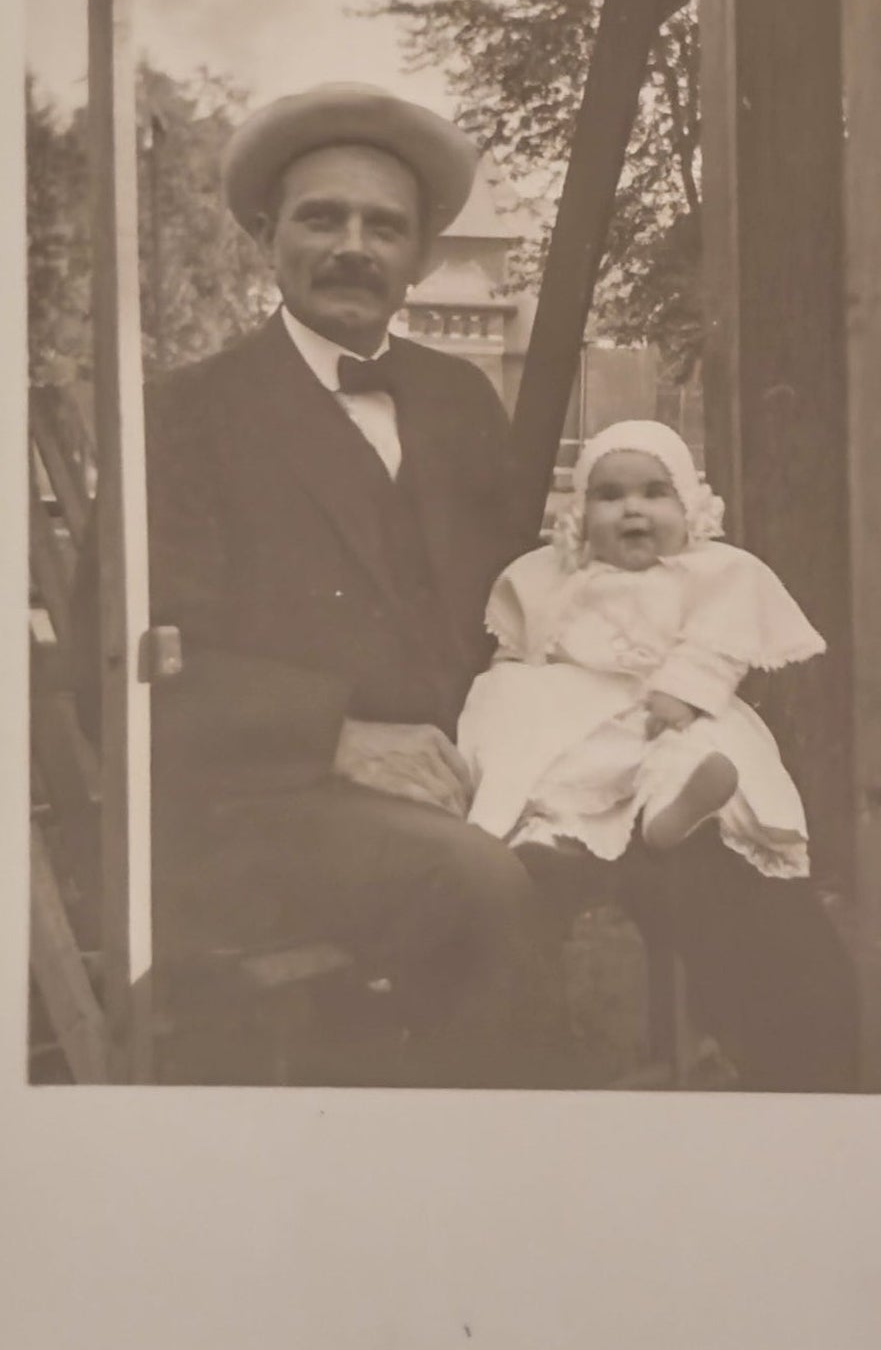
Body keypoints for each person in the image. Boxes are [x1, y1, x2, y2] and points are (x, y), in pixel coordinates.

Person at [73, 82, 557, 1087]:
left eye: (385, 226)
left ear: (420, 256)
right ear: (266, 237)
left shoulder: (460, 400)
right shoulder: (186, 415)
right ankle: (493, 1186)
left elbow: (516, 606)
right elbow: (113, 664)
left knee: (695, 825)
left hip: (470, 770)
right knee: (483, 885)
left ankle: (824, 1102)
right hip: (260, 810)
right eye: (321, 218)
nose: (354, 246)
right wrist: (334, 736)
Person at [459, 420, 858, 1091]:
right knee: (537, 744)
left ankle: (674, 812)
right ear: (583, 515)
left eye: (654, 493)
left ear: (690, 510)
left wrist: (686, 689)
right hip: (580, 710)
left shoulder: (713, 573)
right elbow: (525, 643)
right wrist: (517, 678)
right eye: (610, 497)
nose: (633, 510)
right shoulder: (554, 575)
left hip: (664, 712)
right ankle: (551, 830)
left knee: (696, 748)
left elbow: (719, 640)